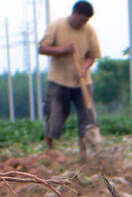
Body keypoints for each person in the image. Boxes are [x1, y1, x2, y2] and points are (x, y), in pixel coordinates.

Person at [38, 1, 101, 154]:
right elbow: (42, 48)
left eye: (86, 21)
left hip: (82, 82)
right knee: (55, 115)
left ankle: (84, 151)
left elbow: (93, 56)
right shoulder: (57, 25)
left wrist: (84, 67)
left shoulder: (89, 31)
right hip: (59, 81)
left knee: (87, 116)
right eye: (81, 20)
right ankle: (49, 149)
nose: (83, 23)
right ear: (74, 13)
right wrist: (62, 49)